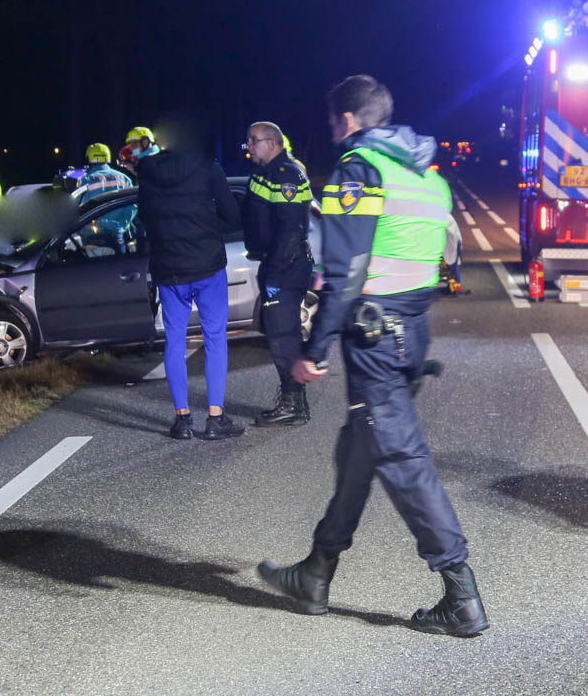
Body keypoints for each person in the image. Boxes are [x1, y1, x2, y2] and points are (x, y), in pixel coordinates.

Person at [258, 75, 487, 637]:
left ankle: (460, 594)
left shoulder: (360, 170)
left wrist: (314, 350)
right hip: (411, 333)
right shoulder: (426, 174)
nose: (332, 130)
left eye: (333, 121)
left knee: (403, 458)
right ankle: (316, 572)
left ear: (348, 119)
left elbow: (347, 270)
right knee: (360, 448)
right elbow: (447, 253)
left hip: (375, 340)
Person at [132, 126, 242, 440]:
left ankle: (182, 419)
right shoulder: (208, 167)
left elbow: (143, 217)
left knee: (175, 340)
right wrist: (207, 223)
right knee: (215, 338)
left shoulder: (148, 171)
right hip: (207, 266)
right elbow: (232, 214)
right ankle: (215, 417)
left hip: (169, 270)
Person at [242, 121, 315, 425]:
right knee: (281, 334)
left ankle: (292, 405)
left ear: (271, 143)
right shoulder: (268, 172)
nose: (248, 146)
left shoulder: (285, 174)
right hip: (277, 263)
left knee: (282, 336)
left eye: (253, 140)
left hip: (285, 266)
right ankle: (295, 403)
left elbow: (291, 228)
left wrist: (274, 269)